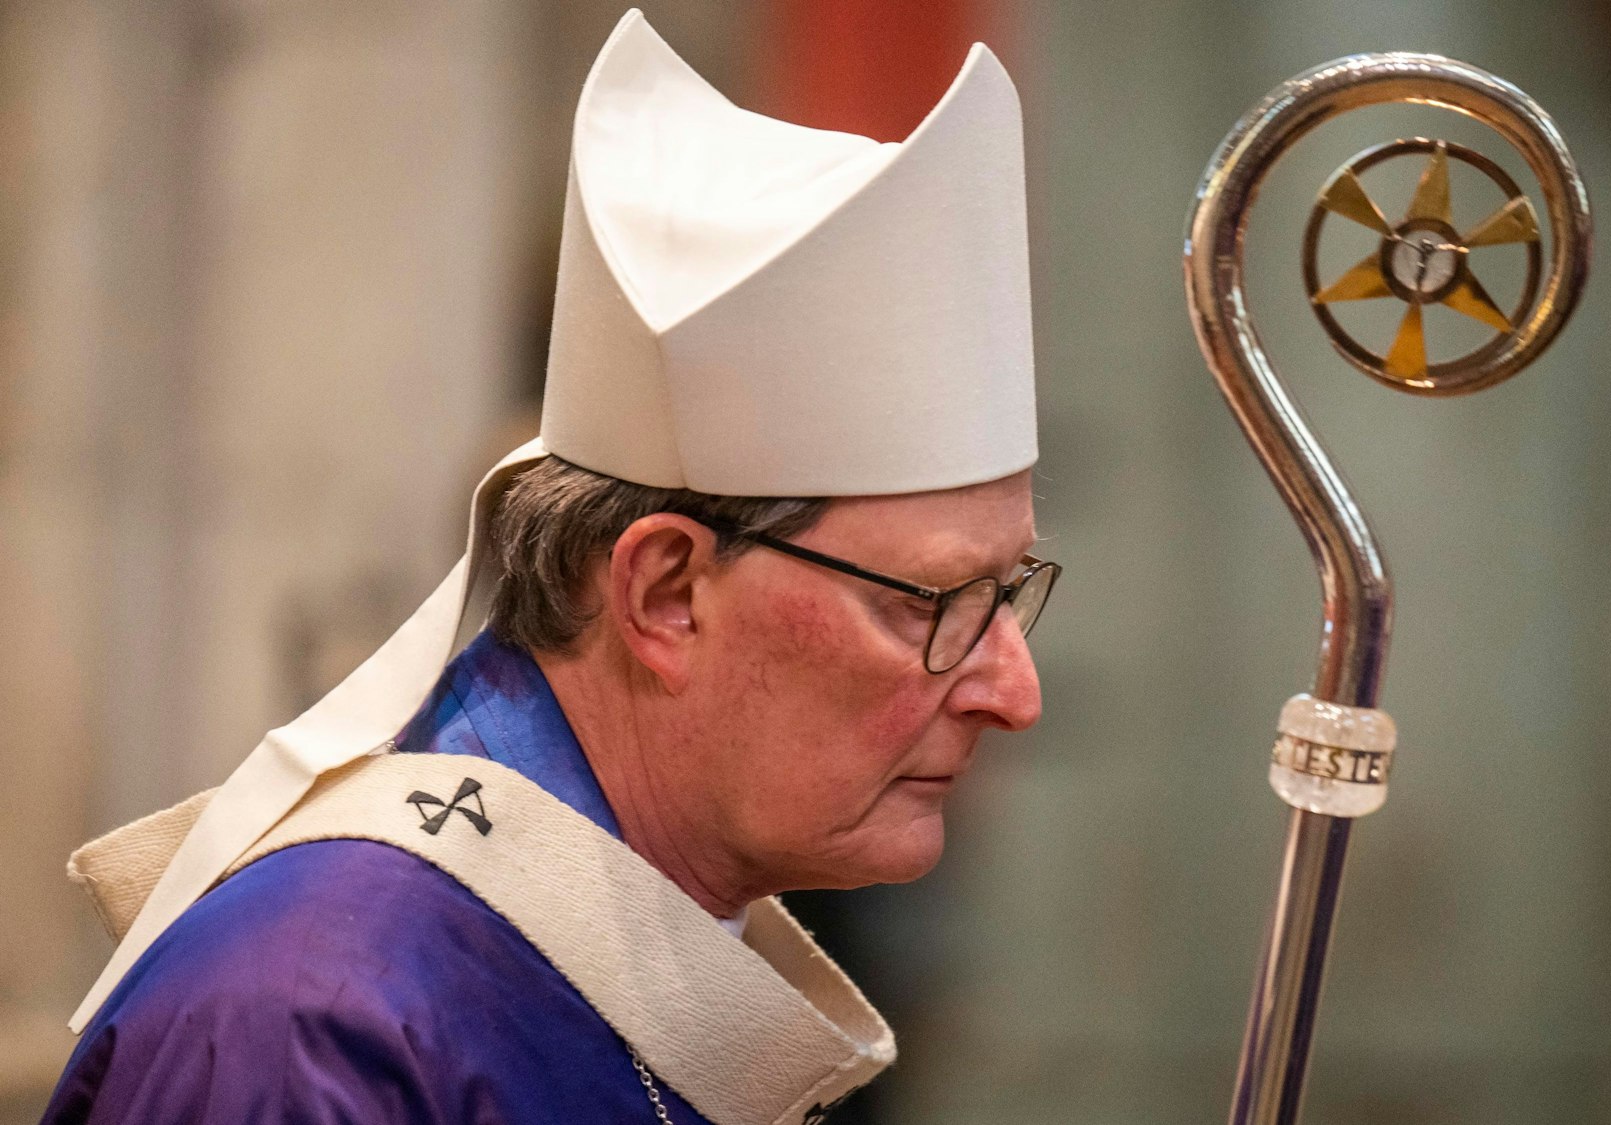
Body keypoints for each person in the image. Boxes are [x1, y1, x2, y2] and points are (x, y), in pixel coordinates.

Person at [42, 10, 1055, 1124]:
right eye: (936, 604)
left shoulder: (656, 961)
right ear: (666, 594)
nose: (1014, 691)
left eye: (1007, 594)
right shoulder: (318, 1024)